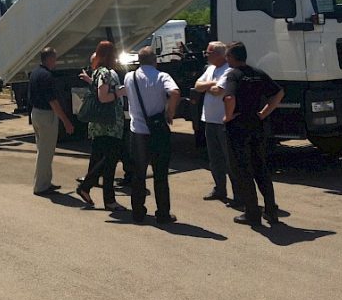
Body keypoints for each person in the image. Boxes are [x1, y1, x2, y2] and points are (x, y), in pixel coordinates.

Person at [220, 41, 285, 226]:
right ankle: (271, 210)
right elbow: (279, 93)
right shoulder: (258, 73)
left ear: (232, 57)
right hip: (256, 124)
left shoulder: (233, 75)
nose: (226, 59)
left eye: (227, 55)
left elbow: (229, 97)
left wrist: (227, 116)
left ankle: (252, 213)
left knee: (243, 170)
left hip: (238, 126)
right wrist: (264, 113)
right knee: (260, 168)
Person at [124, 46, 180, 224]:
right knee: (160, 174)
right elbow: (175, 92)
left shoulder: (129, 77)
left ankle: (138, 212)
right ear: (155, 61)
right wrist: (170, 112)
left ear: (139, 61)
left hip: (138, 132)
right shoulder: (162, 76)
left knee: (138, 174)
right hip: (158, 131)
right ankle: (163, 213)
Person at [75, 41, 127, 211]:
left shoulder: (98, 72)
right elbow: (103, 97)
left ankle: (97, 192)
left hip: (101, 124)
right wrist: (119, 93)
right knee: (110, 160)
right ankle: (94, 191)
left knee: (103, 159)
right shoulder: (105, 73)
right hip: (109, 124)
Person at [193, 41, 238, 203]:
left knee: (230, 159)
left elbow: (219, 91)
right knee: (214, 158)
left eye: (208, 53)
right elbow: (197, 86)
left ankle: (239, 194)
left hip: (224, 121)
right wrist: (211, 84)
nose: (206, 56)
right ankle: (219, 189)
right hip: (209, 120)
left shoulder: (229, 70)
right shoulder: (210, 69)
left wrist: (209, 87)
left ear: (219, 54)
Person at [29, 47, 74, 195]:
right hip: (46, 116)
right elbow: (53, 102)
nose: (56, 61)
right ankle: (41, 186)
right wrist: (66, 121)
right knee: (46, 152)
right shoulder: (47, 76)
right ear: (48, 59)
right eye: (54, 58)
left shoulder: (35, 73)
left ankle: (45, 182)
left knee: (43, 150)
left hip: (36, 113)